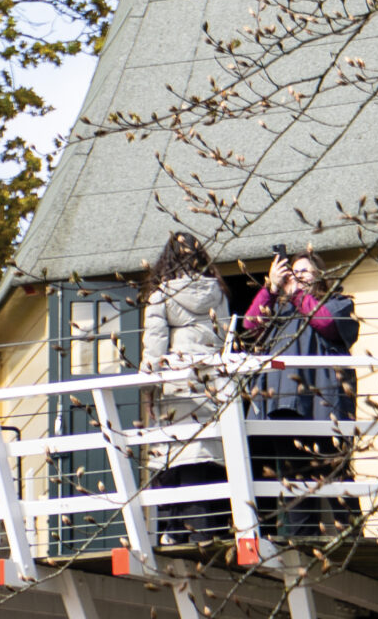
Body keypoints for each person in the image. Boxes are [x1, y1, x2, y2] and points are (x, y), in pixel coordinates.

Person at [240, 250, 359, 540]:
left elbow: (326, 324)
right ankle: (302, 541)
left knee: (335, 473)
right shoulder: (279, 310)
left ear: (320, 275)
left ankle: (353, 539)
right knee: (295, 479)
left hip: (324, 407)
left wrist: (295, 295)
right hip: (286, 408)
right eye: (294, 271)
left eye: (305, 271)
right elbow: (249, 327)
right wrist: (270, 288)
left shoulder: (338, 303)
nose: (299, 276)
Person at [141, 231, 234, 549]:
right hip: (211, 385)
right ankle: (212, 527)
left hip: (176, 388)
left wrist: (148, 392)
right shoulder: (218, 293)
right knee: (207, 457)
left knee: (174, 459)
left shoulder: (160, 297)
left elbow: (153, 352)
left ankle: (177, 530)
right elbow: (223, 341)